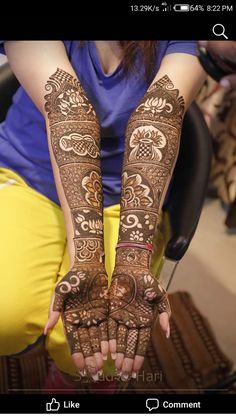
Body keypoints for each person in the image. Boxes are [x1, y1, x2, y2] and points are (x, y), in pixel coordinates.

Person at [0, 41, 205, 382]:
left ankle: (71, 390)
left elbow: (159, 115)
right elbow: (69, 110)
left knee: (108, 344)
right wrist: (87, 261)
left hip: (125, 197)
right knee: (6, 319)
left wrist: (132, 264)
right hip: (28, 175)